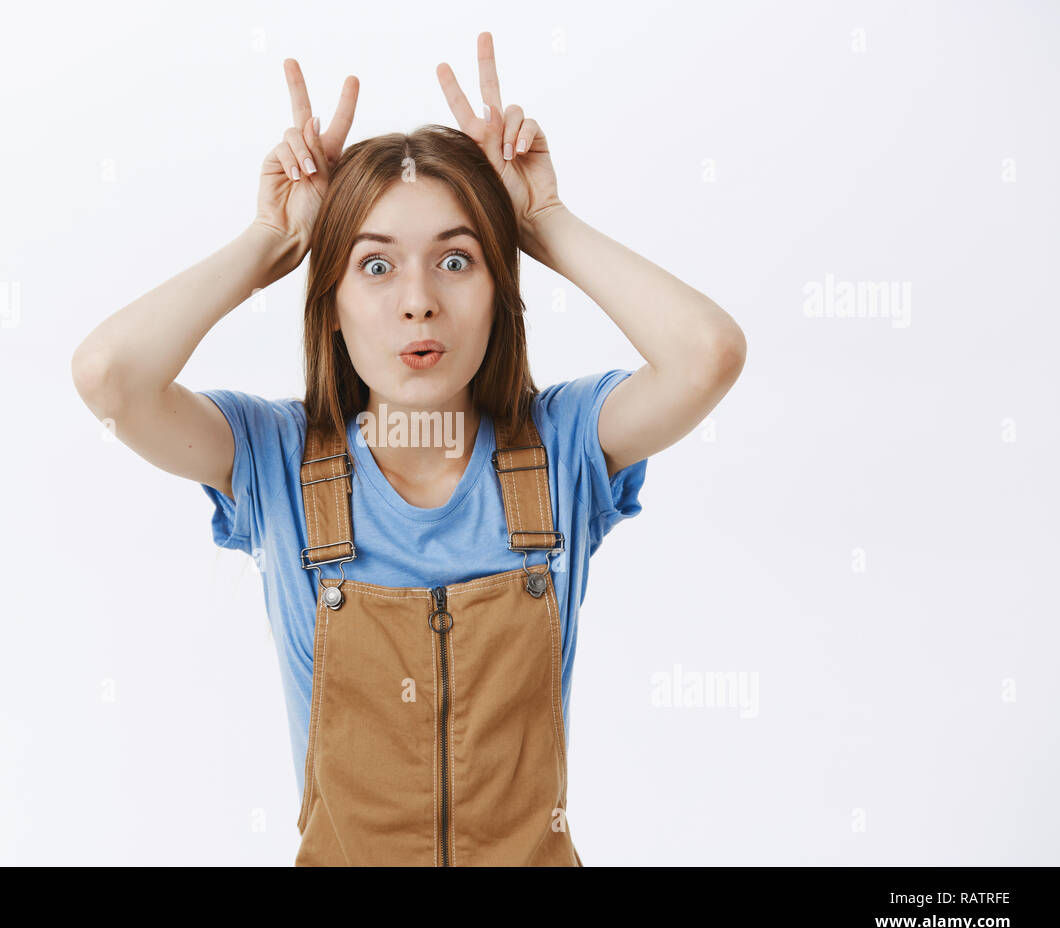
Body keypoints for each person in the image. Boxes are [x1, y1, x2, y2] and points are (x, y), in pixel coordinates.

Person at [71, 32, 746, 866]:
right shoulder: (276, 461)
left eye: (457, 260)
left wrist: (542, 221)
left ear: (501, 288)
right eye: (376, 267)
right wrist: (266, 241)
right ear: (331, 303)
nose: (419, 303)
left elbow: (708, 353)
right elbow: (109, 377)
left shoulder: (564, 446)